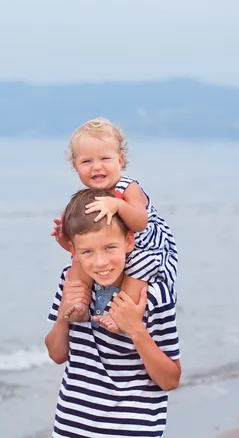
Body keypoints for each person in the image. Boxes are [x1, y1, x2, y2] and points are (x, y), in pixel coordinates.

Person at [45, 188, 181, 438]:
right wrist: (64, 314)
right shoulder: (70, 281)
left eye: (109, 247)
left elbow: (170, 379)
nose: (100, 262)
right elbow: (56, 354)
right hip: (71, 426)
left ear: (128, 241)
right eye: (87, 252)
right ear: (74, 251)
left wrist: (135, 329)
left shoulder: (152, 294)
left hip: (132, 430)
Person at [52, 117, 178, 332]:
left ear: (120, 161)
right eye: (86, 161)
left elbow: (140, 222)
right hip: (115, 250)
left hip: (148, 249)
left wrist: (118, 205)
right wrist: (64, 237)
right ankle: (78, 304)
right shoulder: (86, 199)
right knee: (78, 262)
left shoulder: (128, 188)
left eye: (105, 158)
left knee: (140, 264)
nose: (97, 167)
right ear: (75, 167)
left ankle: (122, 316)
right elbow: (81, 249)